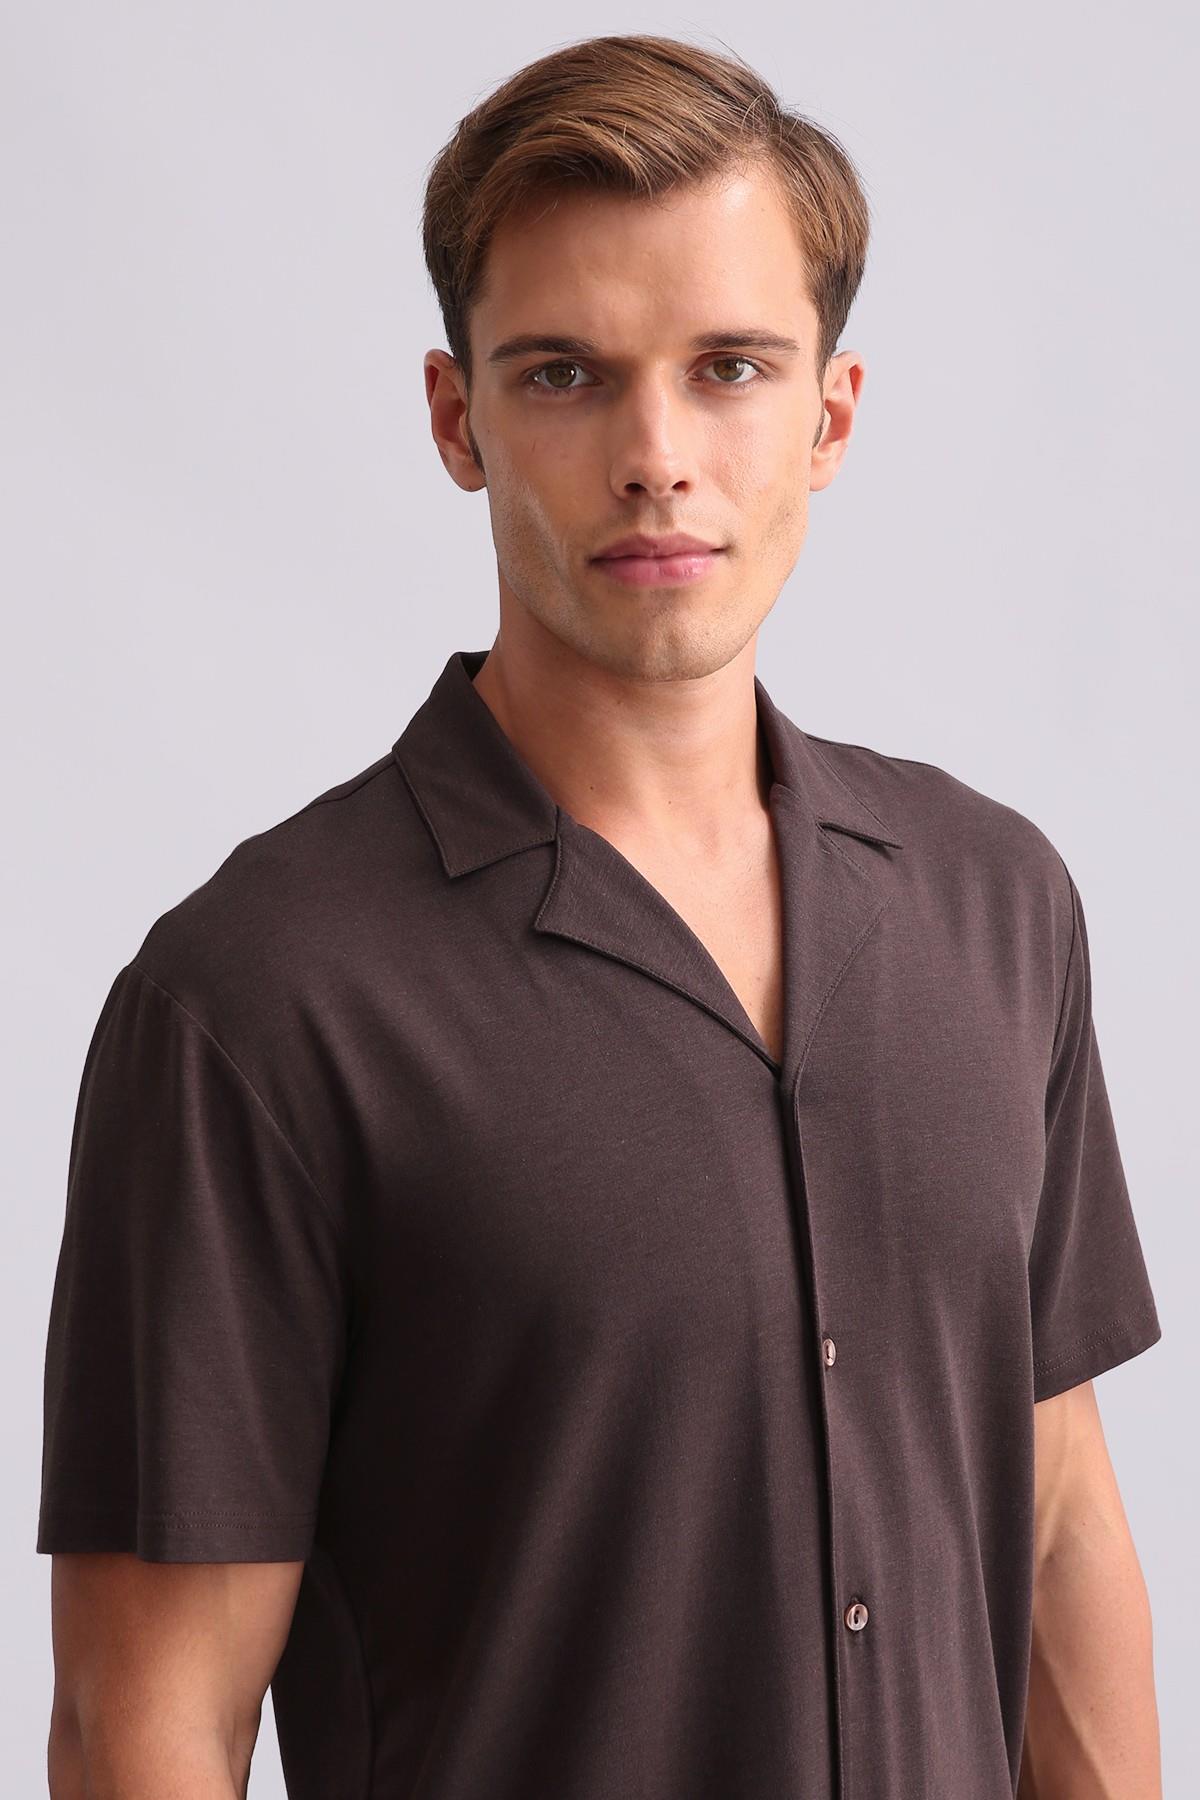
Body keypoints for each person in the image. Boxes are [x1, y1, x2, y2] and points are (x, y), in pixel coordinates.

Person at [38, 32, 1164, 1800]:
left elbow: (1060, 1516)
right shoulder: (256, 1002)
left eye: (730, 369)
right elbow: (146, 1725)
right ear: (457, 418)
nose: (656, 457)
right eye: (566, 375)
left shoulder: (995, 904)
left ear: (830, 414)